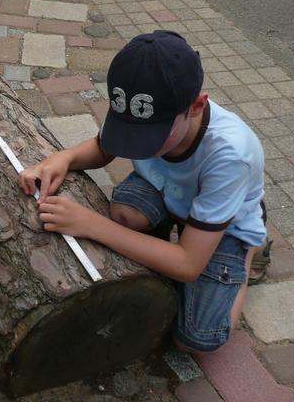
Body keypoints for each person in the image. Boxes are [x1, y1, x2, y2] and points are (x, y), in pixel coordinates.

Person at [18, 31, 267, 353]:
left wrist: (91, 225)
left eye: (151, 136)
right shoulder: (140, 104)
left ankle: (248, 255)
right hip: (171, 192)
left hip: (225, 225)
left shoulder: (232, 155)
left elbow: (189, 264)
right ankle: (162, 243)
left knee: (198, 340)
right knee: (125, 214)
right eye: (129, 131)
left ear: (197, 106)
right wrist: (62, 159)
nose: (138, 145)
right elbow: (102, 147)